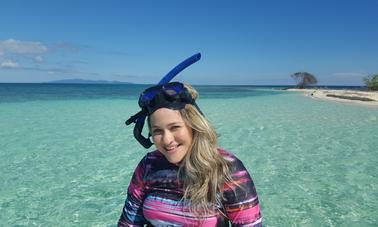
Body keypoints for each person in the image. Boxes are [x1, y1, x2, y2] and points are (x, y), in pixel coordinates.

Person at [118, 81, 262, 226]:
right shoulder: (148, 165)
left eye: (174, 127)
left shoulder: (227, 168)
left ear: (194, 125)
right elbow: (128, 223)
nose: (167, 140)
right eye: (157, 131)